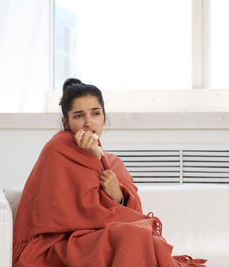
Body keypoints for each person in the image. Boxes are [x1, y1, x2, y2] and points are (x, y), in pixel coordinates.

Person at [12, 78, 207, 267]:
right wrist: (95, 157)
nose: (89, 123)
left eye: (95, 114)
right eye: (79, 116)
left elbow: (134, 212)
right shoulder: (56, 150)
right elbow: (71, 212)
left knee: (147, 240)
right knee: (133, 235)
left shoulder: (113, 162)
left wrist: (119, 197)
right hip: (62, 241)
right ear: (66, 122)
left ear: (104, 118)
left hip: (103, 234)